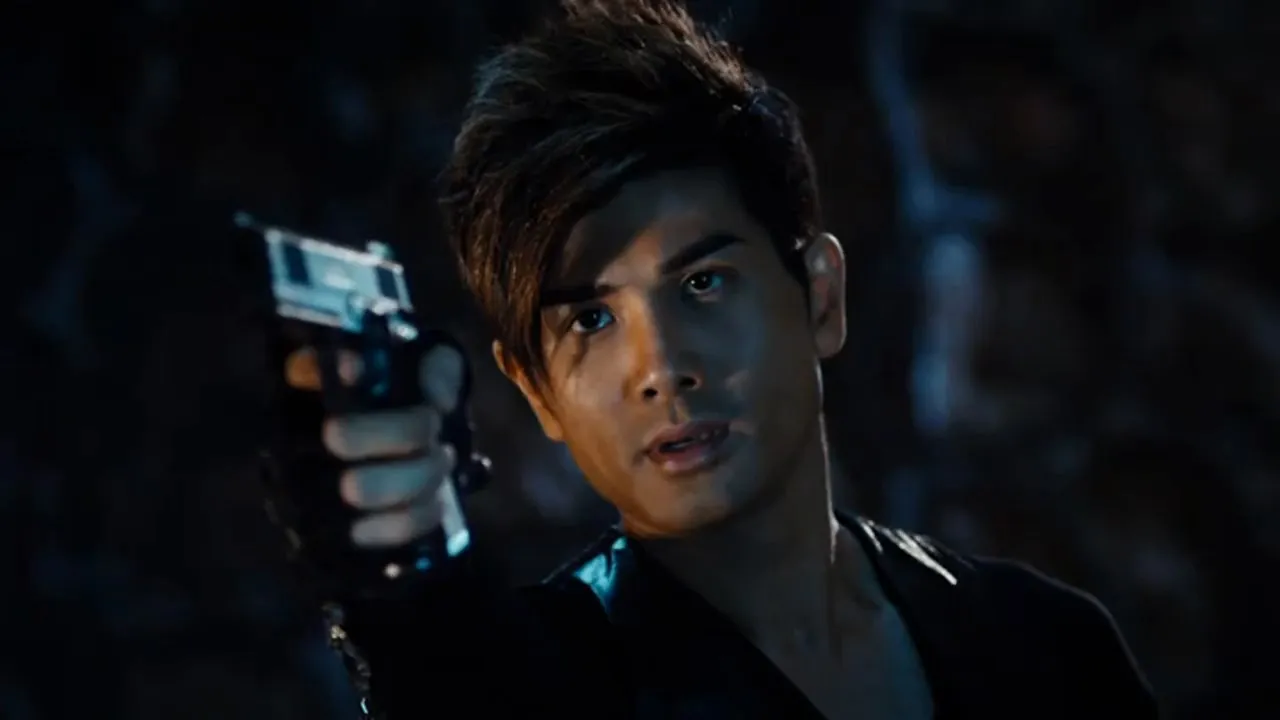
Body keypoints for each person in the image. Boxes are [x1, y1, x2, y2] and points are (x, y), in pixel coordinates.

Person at [279, 1, 1158, 717]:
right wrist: (398, 566)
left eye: (702, 284)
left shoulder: (1046, 646)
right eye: (591, 319)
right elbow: (450, 675)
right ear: (536, 392)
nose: (661, 366)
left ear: (819, 298)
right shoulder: (540, 684)